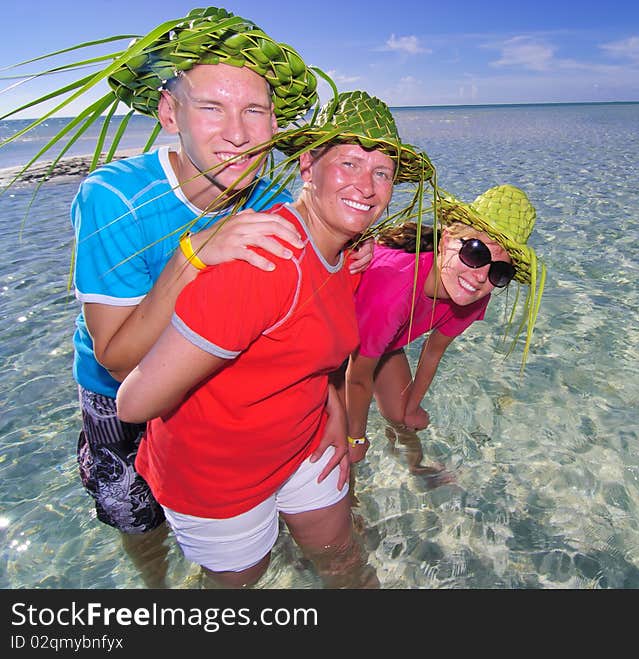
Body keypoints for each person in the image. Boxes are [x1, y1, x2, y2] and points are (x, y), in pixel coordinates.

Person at [4, 8, 370, 587]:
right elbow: (118, 358)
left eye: (256, 110)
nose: (238, 132)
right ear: (169, 113)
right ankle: (155, 587)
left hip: (212, 389)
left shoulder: (273, 192)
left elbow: (306, 312)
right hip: (119, 387)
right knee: (136, 514)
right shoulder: (114, 198)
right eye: (212, 108)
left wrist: (330, 403)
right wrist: (193, 256)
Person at [115, 90, 435, 588]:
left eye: (382, 173)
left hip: (303, 443)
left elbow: (307, 351)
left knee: (343, 558)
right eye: (349, 163)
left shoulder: (343, 255)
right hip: (219, 479)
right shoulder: (265, 264)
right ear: (308, 167)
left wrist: (329, 404)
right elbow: (134, 402)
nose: (366, 186)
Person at [343, 184, 546, 473]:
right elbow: (357, 377)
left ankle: (415, 467)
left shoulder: (475, 294)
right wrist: (356, 437)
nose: (480, 277)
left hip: (382, 343)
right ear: (446, 239)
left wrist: (411, 408)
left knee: (407, 420)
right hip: (333, 348)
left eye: (500, 272)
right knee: (343, 447)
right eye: (475, 253)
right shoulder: (395, 288)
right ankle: (349, 500)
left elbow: (432, 352)